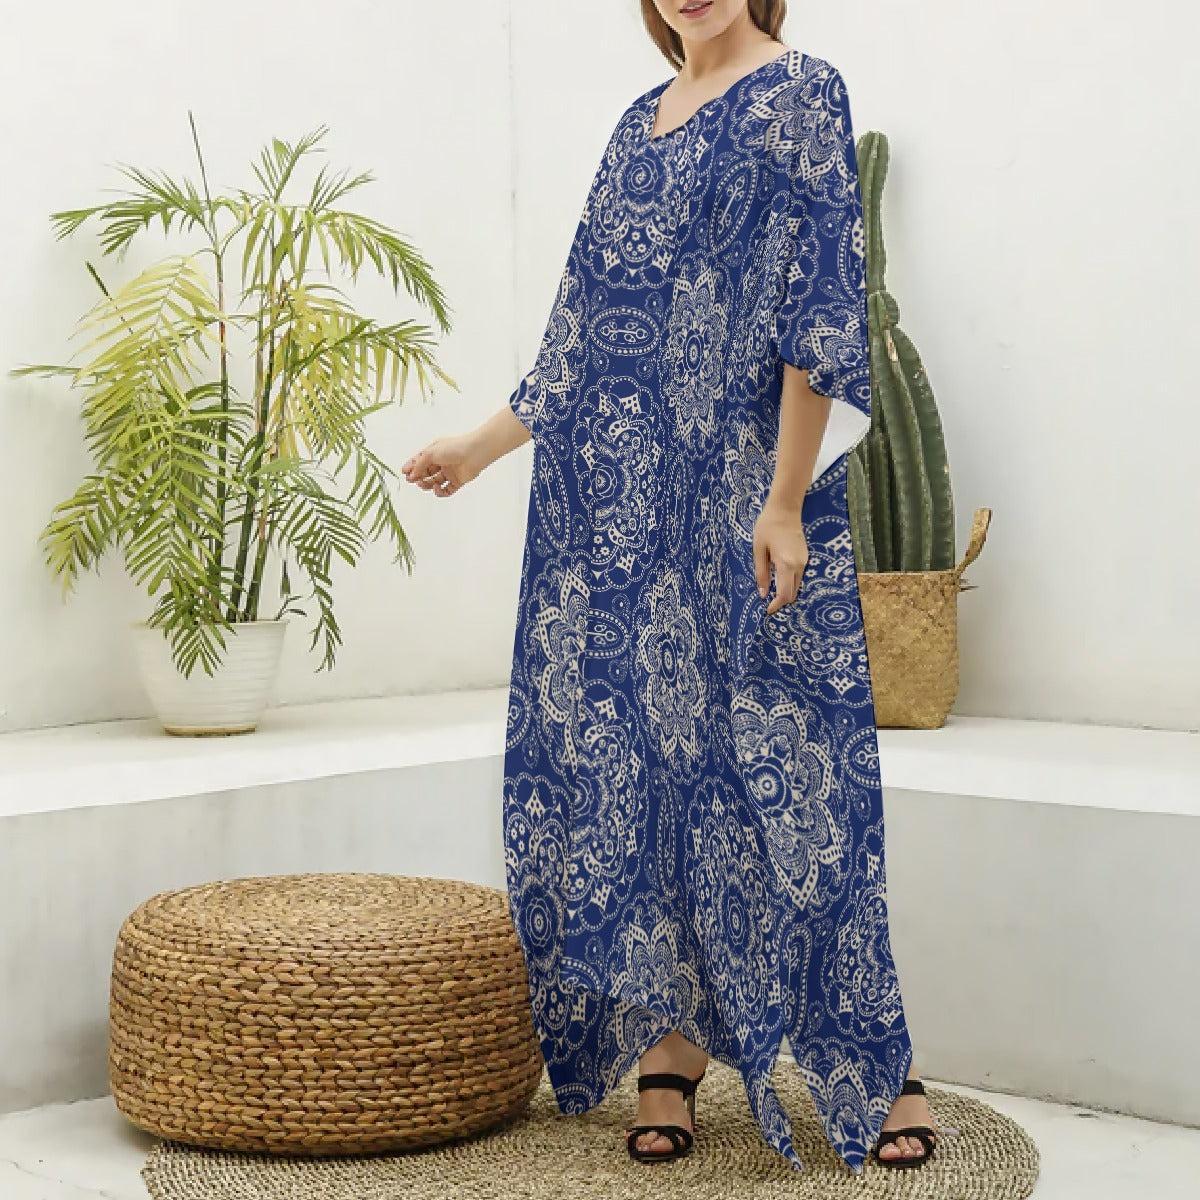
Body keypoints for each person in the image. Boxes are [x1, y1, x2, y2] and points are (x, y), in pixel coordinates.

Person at [403, 0, 937, 1175]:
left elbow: (817, 313)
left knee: (802, 778)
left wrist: (785, 501)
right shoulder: (636, 123)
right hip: (633, 514)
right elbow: (584, 331)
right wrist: (480, 448)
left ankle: (872, 1056)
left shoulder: (803, 93)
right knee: (653, 773)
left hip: (751, 500)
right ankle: (673, 1045)